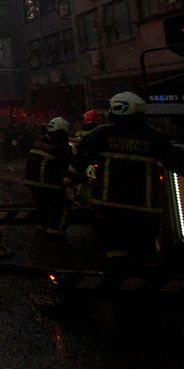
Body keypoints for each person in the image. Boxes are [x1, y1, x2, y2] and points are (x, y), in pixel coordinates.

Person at [69, 91, 184, 269]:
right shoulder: (154, 137)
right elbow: (176, 161)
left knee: (115, 247)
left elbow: (80, 158)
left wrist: (69, 179)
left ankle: (118, 279)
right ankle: (147, 285)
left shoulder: (101, 134)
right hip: (144, 206)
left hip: (110, 204)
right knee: (144, 251)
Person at [23, 117, 73, 239]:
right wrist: (70, 179)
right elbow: (66, 166)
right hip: (49, 181)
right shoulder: (63, 146)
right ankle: (55, 233)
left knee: (42, 204)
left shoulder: (42, 141)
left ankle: (43, 227)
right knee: (62, 206)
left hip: (32, 179)